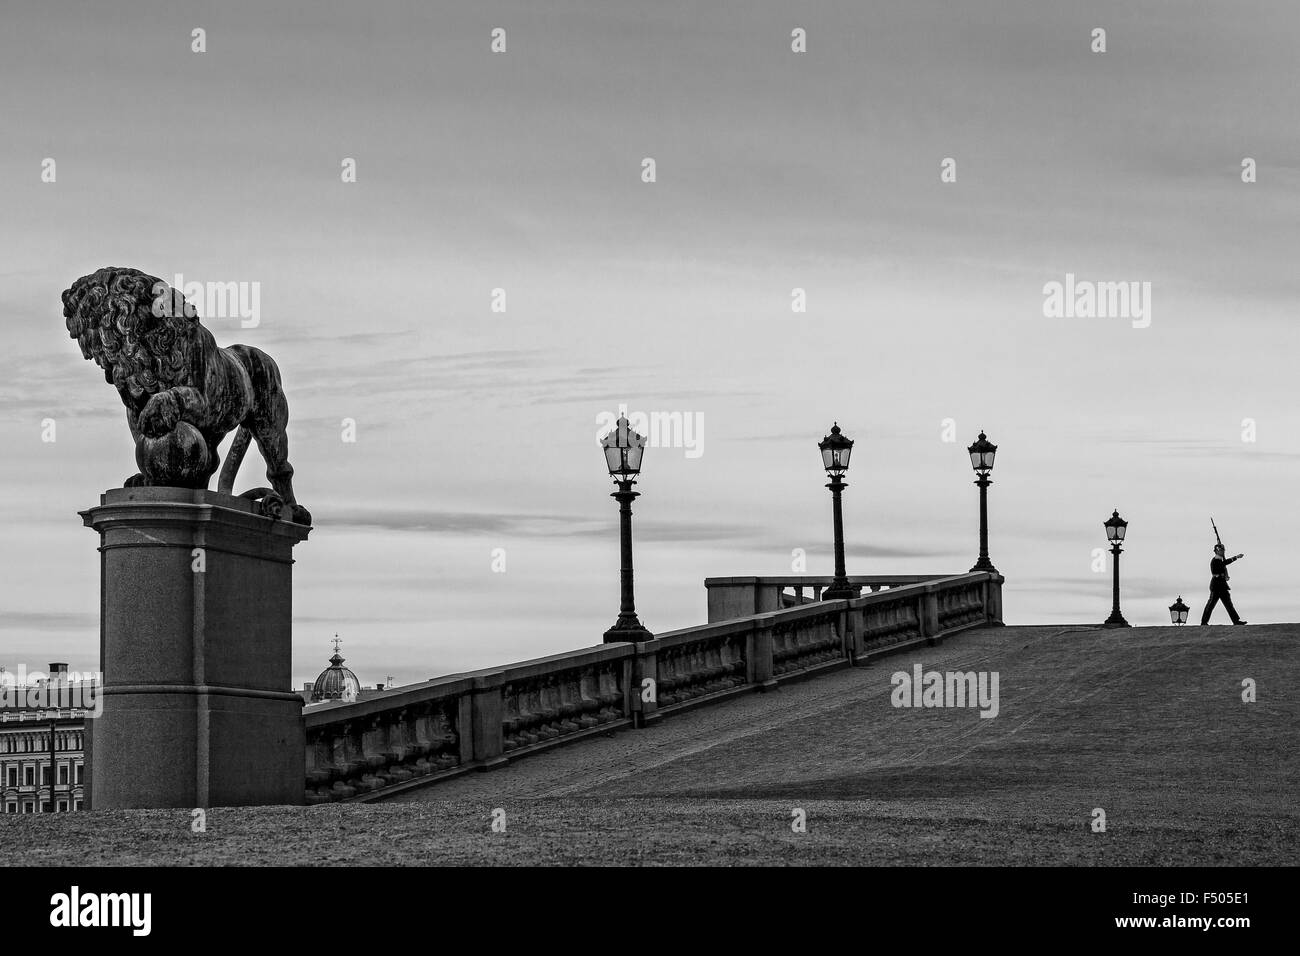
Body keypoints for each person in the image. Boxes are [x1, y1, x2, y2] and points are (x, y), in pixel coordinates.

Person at [1201, 543, 1246, 625]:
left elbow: (1224, 564)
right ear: (1217, 551)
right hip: (1216, 586)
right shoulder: (1215, 561)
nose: (1223, 552)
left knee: (1229, 604)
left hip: (1222, 585)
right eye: (1221, 550)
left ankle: (1236, 621)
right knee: (1210, 605)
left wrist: (1225, 574)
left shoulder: (1220, 560)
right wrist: (1235, 557)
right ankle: (1204, 622)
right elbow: (1223, 564)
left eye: (1223, 550)